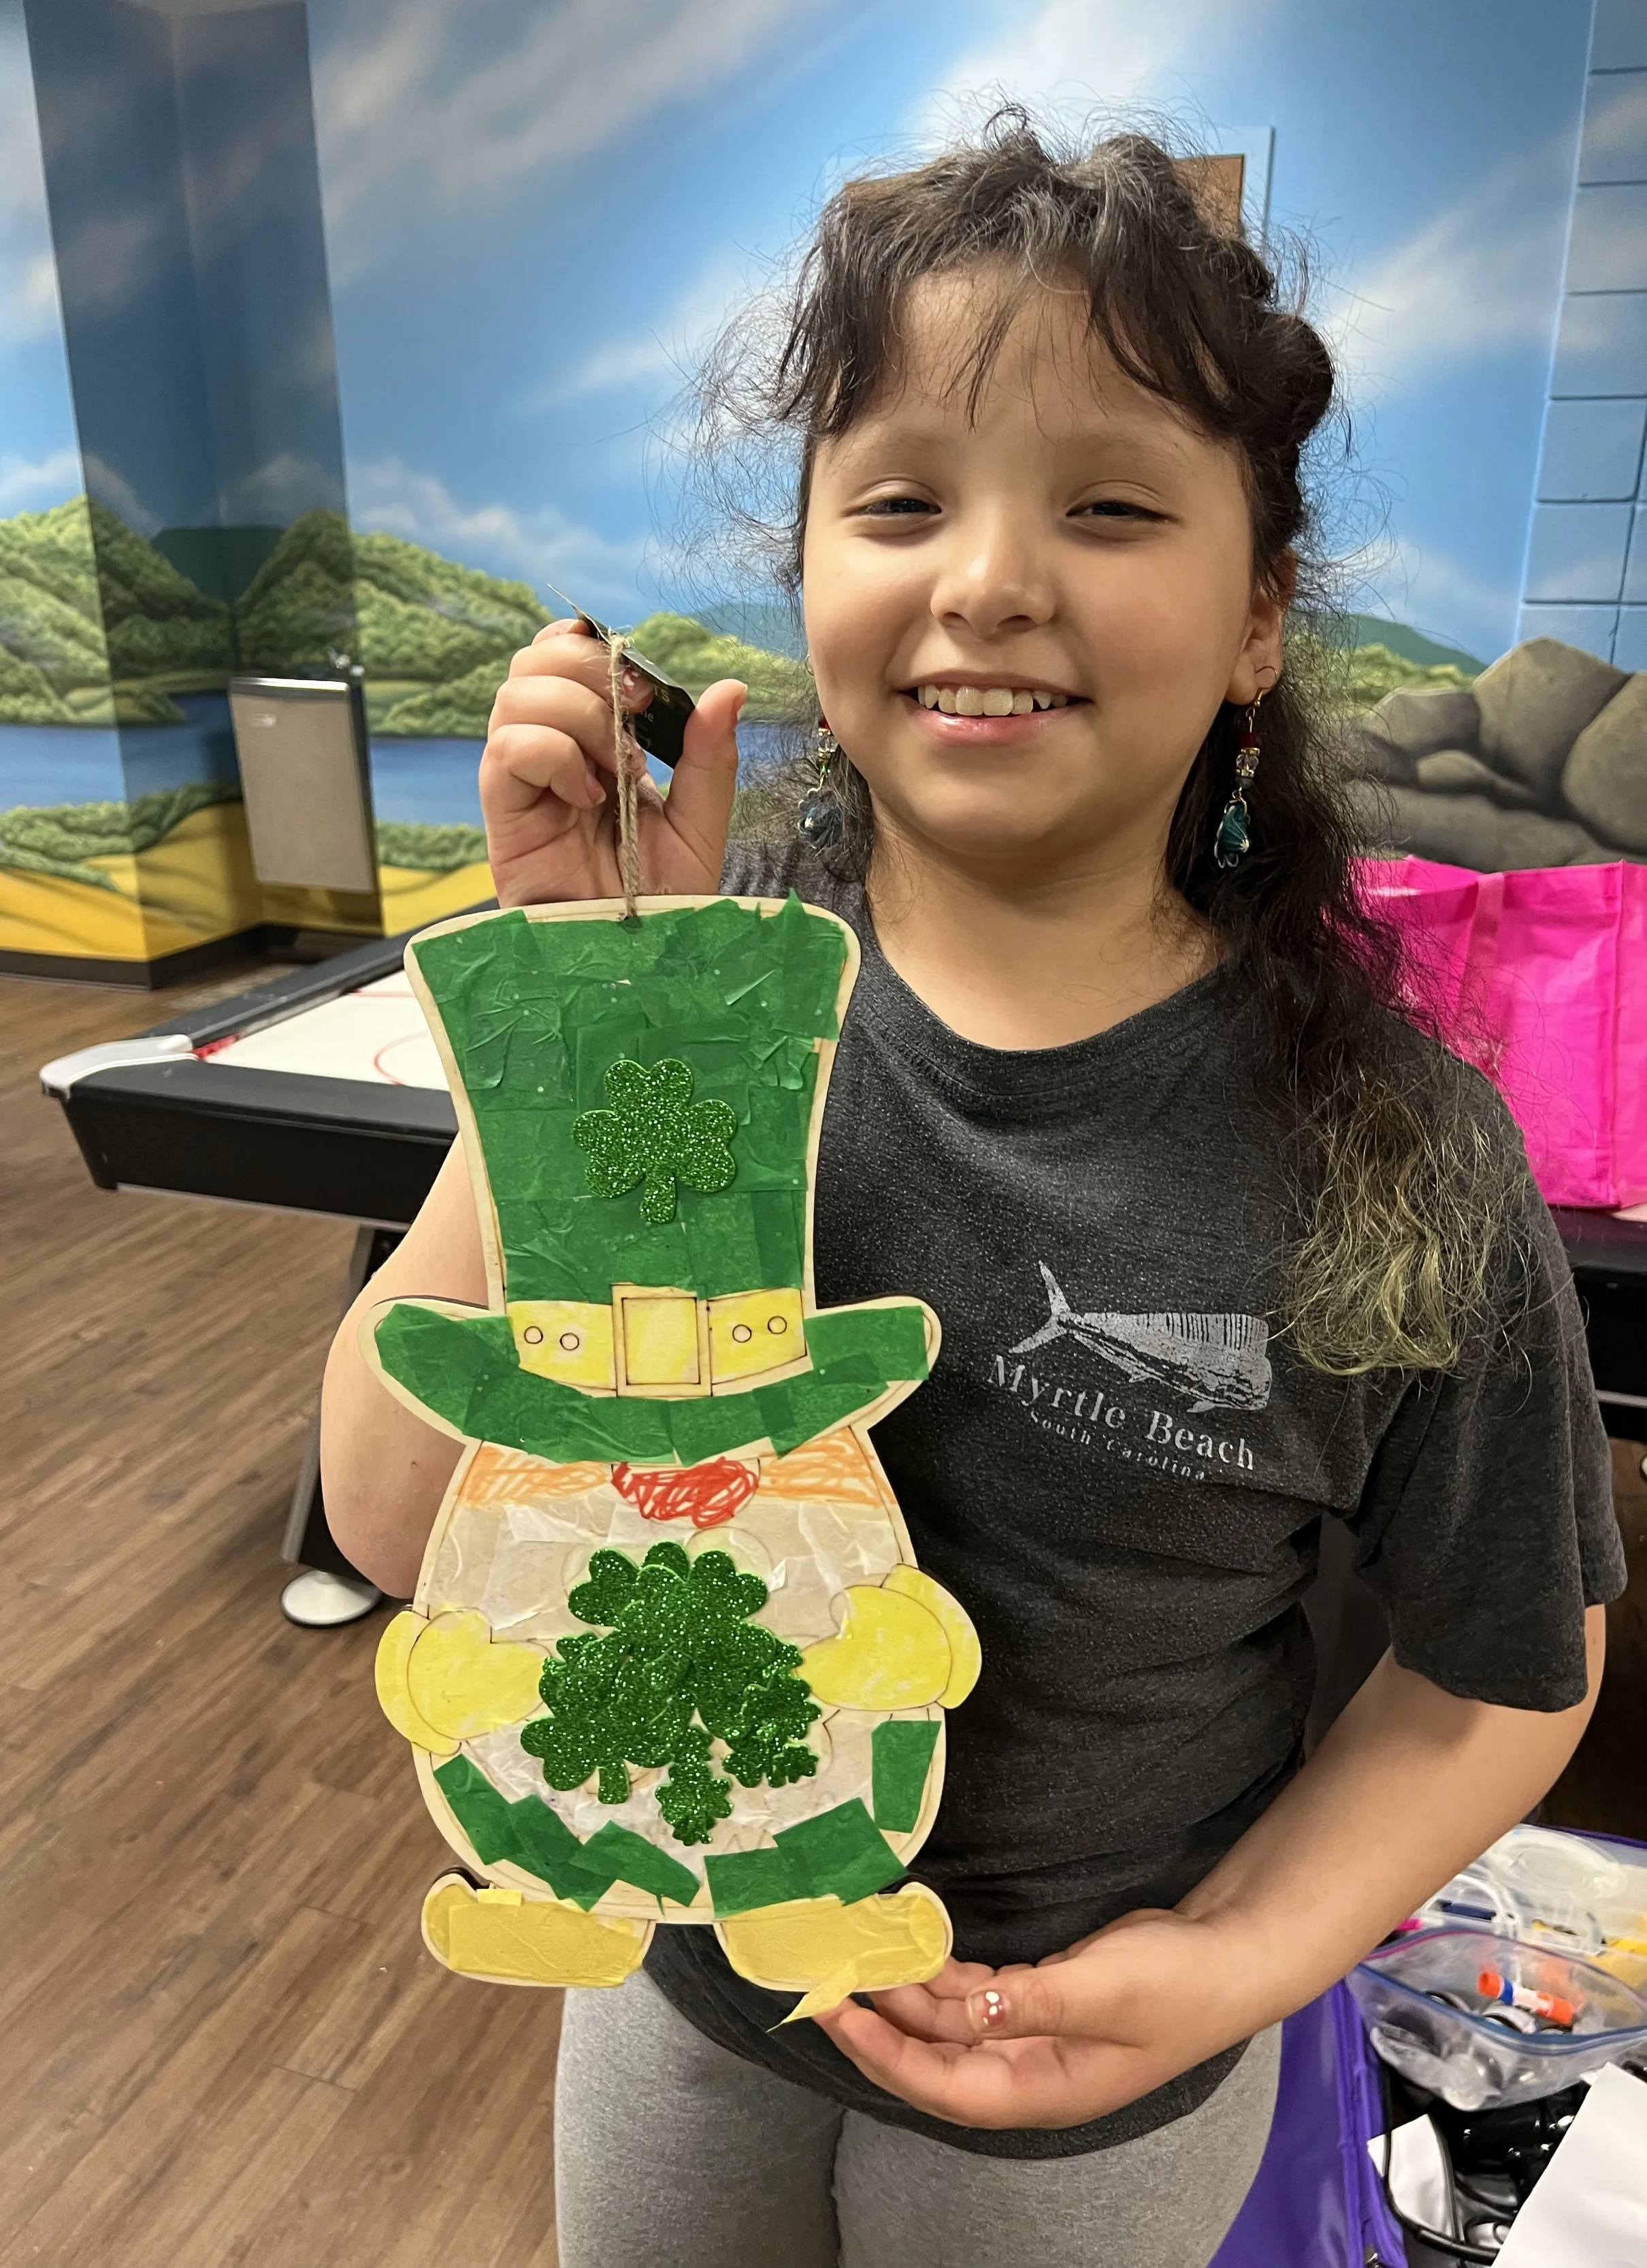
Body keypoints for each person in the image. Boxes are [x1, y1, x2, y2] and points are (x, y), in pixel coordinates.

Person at [319, 116, 1625, 2268]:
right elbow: (390, 1526)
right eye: (901, 497)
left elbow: (1505, 1663)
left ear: (1256, 617)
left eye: (1109, 505)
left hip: (1083, 2087)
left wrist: (1227, 1961)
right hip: (691, 2004)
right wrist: (577, 1018)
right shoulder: (707, 1045)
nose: (988, 576)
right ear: (813, 564)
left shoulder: (1386, 1150)